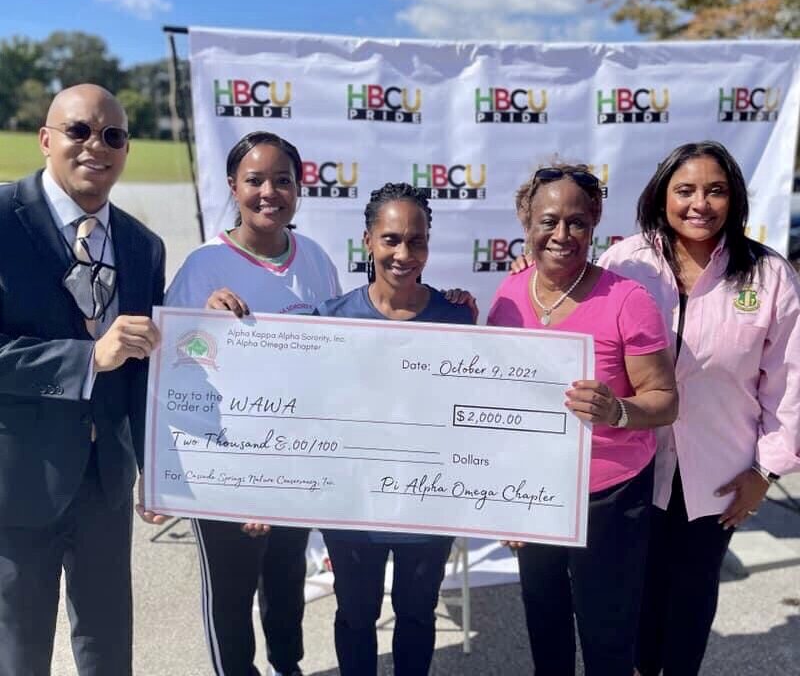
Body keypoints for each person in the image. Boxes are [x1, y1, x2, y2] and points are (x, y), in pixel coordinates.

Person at [595, 141, 800, 675]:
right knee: (634, 591)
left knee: (691, 596)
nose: (699, 203)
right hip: (633, 462)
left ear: (733, 199)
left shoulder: (768, 275)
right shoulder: (625, 262)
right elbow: (581, 325)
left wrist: (765, 469)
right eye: (685, 190)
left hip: (719, 469)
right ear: (661, 195)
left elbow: (789, 382)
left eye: (716, 190)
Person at [487, 164, 678, 676]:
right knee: (545, 626)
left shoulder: (627, 301)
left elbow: (665, 399)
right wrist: (502, 496)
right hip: (536, 492)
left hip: (610, 496)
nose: (562, 235)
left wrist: (619, 409)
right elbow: (497, 404)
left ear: (594, 223)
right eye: (548, 221)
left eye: (577, 222)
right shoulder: (506, 299)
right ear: (526, 221)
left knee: (607, 635)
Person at [0, 84, 164, 676]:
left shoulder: (145, 247)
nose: (96, 145)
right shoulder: (1, 219)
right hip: (18, 482)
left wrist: (158, 468)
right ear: (46, 139)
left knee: (108, 649)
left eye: (112, 136)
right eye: (79, 131)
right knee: (18, 654)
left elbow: (148, 366)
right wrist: (87, 358)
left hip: (105, 483)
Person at [165, 131, 340, 676]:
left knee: (287, 580)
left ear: (298, 187)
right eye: (255, 180)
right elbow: (170, 360)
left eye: (282, 180)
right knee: (232, 594)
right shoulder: (204, 265)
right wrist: (202, 325)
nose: (269, 192)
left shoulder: (313, 258)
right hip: (224, 461)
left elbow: (339, 346)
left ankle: (287, 665)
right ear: (233, 187)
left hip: (291, 458)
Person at [316, 182, 474, 676]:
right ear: (367, 240)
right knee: (356, 617)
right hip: (353, 507)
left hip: (427, 506)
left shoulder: (457, 318)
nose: (404, 253)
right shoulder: (330, 319)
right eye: (390, 239)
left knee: (415, 615)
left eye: (416, 240)